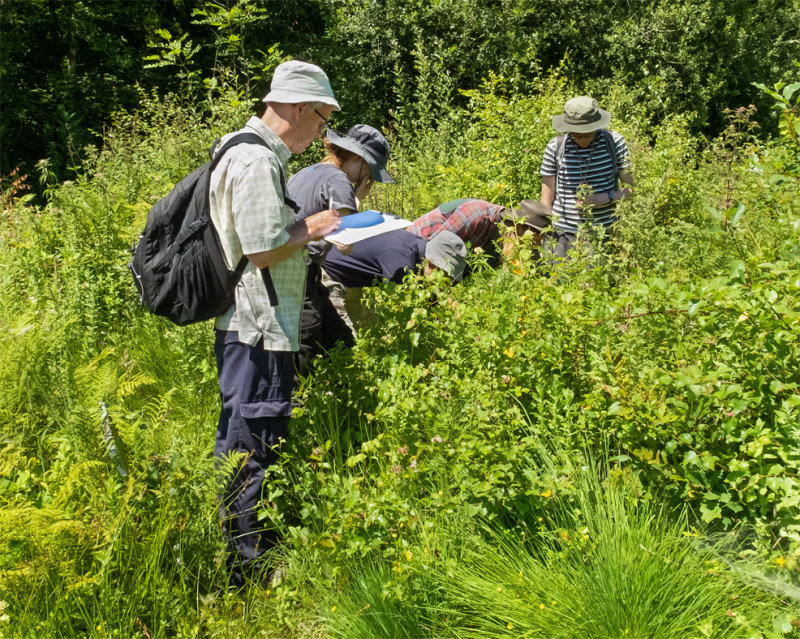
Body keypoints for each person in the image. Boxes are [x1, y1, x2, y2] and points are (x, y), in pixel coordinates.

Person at [208, 60, 342, 586]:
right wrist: (313, 226)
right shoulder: (258, 160)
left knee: (243, 436)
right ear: (297, 107)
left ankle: (246, 547)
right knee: (251, 441)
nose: (322, 130)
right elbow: (262, 249)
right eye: (322, 117)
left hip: (248, 325)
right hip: (258, 324)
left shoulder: (239, 148)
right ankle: (246, 569)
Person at [288, 124, 394, 375]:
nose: (367, 178)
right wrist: (357, 202)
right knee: (305, 350)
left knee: (341, 341)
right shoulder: (339, 180)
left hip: (294, 272)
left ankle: (340, 401)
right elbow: (345, 245)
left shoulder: (307, 171)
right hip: (299, 277)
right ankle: (300, 407)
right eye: (369, 170)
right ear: (356, 158)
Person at [540, 96, 633, 258]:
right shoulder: (555, 148)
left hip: (604, 234)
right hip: (563, 236)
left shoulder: (614, 142)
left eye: (587, 134)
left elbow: (631, 189)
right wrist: (543, 237)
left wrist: (607, 198)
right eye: (576, 134)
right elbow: (546, 201)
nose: (582, 139)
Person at [321, 229, 467, 331]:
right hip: (329, 276)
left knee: (367, 335)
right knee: (348, 344)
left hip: (352, 282)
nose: (445, 285)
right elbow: (409, 306)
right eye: (445, 278)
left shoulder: (421, 248)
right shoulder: (400, 262)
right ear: (432, 263)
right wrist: (446, 315)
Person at [407, 198, 552, 259]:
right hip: (415, 245)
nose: (534, 246)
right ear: (519, 228)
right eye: (535, 241)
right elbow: (433, 246)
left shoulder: (504, 235)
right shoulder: (477, 214)